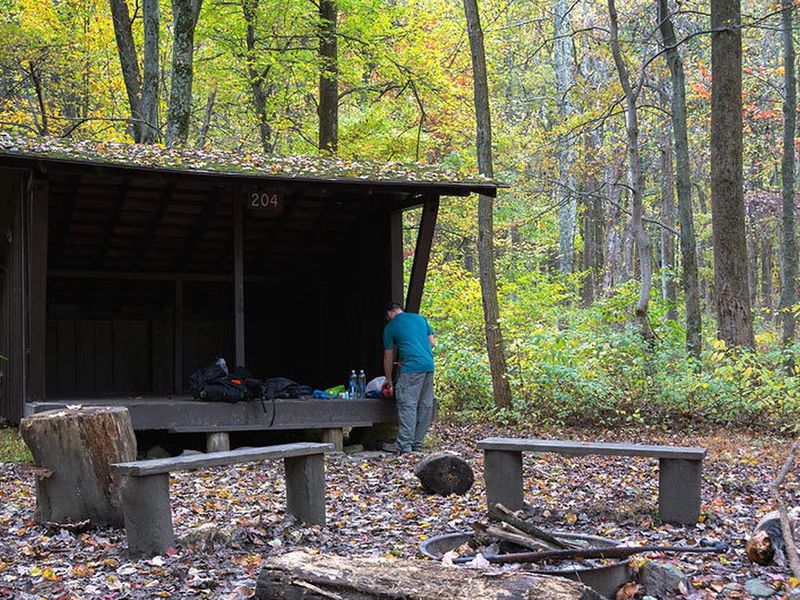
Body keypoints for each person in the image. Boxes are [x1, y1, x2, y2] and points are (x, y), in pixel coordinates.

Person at [380, 301, 435, 454]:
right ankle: (417, 443)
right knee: (425, 405)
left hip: (411, 368)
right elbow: (432, 342)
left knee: (407, 404)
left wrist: (388, 378)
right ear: (400, 310)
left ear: (389, 314)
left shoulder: (390, 327)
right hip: (428, 365)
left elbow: (388, 356)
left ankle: (404, 444)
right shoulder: (420, 319)